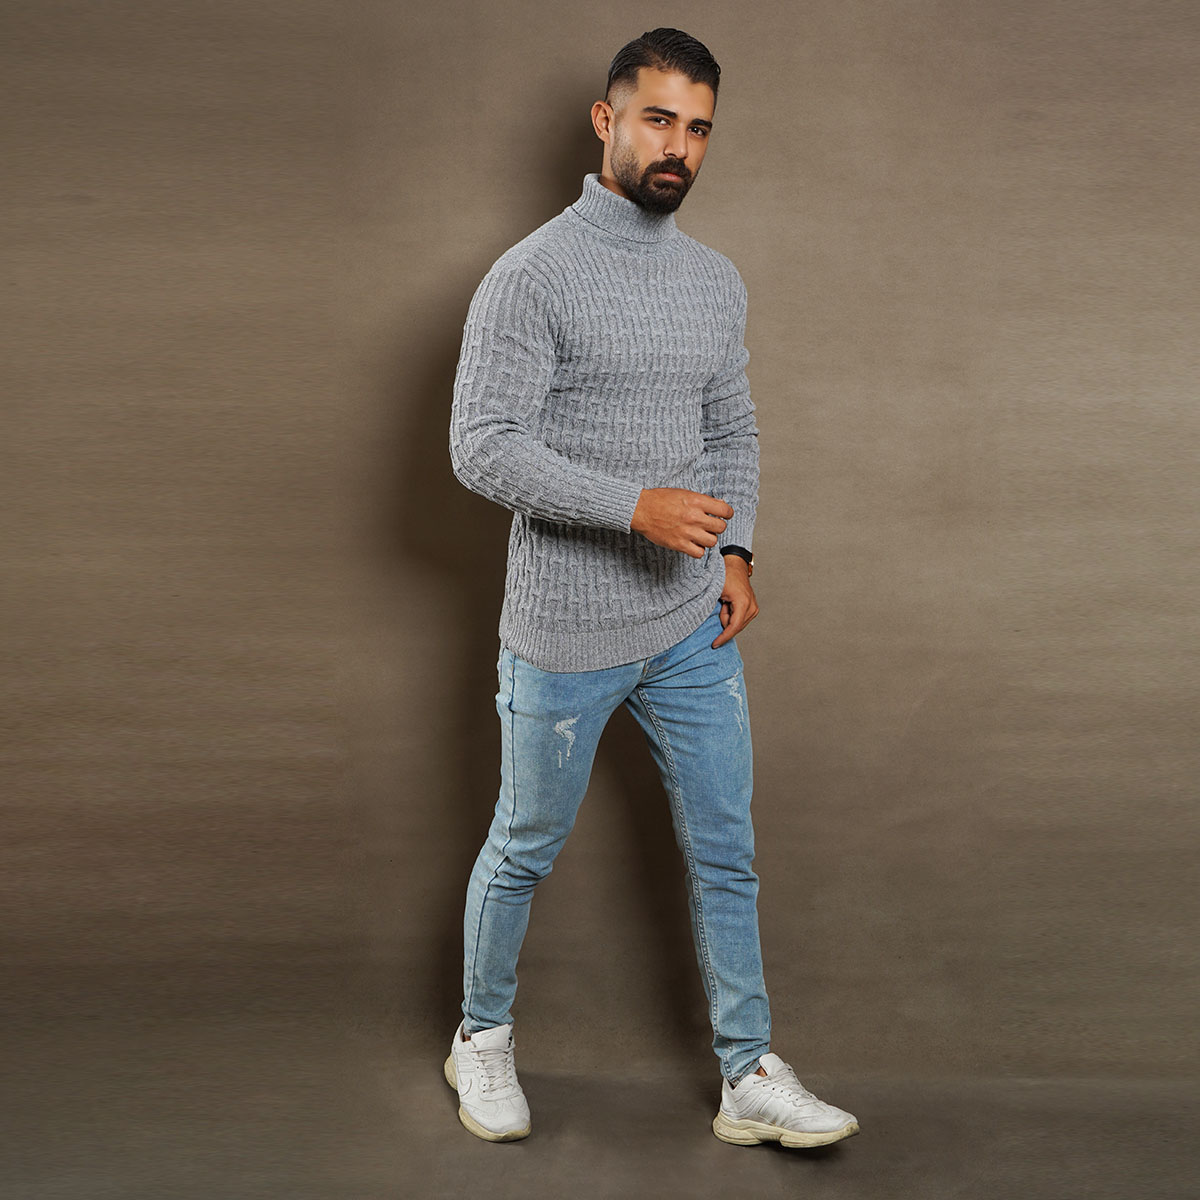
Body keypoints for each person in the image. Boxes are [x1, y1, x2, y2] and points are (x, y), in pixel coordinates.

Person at [444, 27, 860, 1150]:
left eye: (699, 127)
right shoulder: (531, 275)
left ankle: (747, 1073)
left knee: (726, 849)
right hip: (564, 632)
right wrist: (635, 506)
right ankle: (480, 1035)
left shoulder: (714, 280)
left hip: (686, 626)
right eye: (658, 119)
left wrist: (738, 553)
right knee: (524, 844)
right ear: (607, 121)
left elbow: (731, 429)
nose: (678, 145)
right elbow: (480, 446)